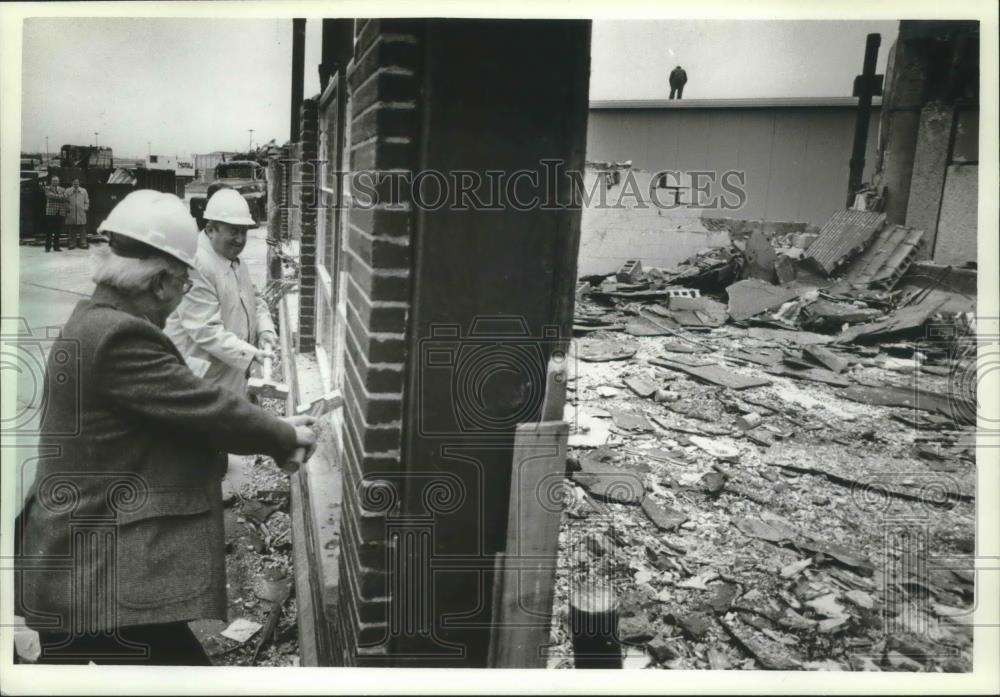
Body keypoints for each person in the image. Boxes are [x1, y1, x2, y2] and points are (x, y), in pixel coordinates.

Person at [14, 190, 317, 665]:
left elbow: (174, 420)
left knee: (83, 664)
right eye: (179, 285)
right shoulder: (120, 336)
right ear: (158, 284)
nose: (179, 300)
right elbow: (200, 405)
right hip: (96, 565)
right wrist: (283, 436)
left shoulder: (95, 320)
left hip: (89, 558)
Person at [165, 188, 275, 398]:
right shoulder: (197, 264)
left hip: (231, 373)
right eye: (233, 231)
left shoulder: (233, 259)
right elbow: (205, 329)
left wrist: (266, 330)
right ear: (210, 229)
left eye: (244, 232)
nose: (240, 239)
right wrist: (252, 354)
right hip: (202, 380)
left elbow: (254, 300)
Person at [42, 175, 68, 252]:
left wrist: (58, 197)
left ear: (58, 181)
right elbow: (50, 196)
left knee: (58, 231)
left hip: (60, 212)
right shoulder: (47, 188)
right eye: (54, 181)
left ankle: (56, 247)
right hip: (51, 212)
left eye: (56, 180)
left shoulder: (63, 189)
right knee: (49, 231)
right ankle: (47, 247)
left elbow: (66, 197)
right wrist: (61, 197)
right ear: (51, 181)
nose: (55, 182)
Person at [64, 177, 90, 249]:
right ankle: (72, 243)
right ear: (72, 183)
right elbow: (65, 201)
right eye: (74, 183)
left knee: (82, 228)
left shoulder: (83, 191)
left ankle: (83, 243)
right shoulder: (68, 191)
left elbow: (87, 201)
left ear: (79, 183)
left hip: (81, 212)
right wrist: (67, 208)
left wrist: (85, 208)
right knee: (72, 228)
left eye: (77, 182)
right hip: (71, 212)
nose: (76, 184)